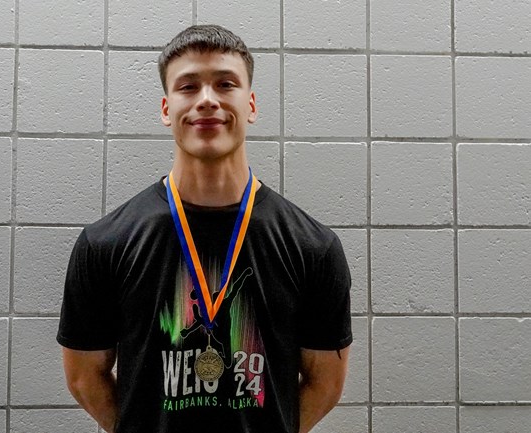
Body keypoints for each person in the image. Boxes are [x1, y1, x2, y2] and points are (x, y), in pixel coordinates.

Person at [57, 24, 352, 433]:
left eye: (225, 84)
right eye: (188, 87)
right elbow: (83, 377)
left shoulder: (312, 246)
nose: (207, 100)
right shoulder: (106, 242)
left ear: (250, 104)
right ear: (166, 109)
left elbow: (326, 383)